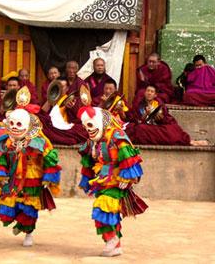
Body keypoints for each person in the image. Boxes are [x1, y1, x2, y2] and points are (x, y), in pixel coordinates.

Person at [0, 87, 61, 247]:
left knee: (29, 205)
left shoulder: (38, 141)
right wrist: (2, 176)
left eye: (19, 124)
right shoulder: (8, 141)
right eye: (12, 124)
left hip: (32, 176)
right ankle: (19, 224)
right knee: (10, 202)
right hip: (14, 177)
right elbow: (3, 159)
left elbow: (50, 159)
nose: (15, 127)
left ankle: (29, 233)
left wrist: (48, 179)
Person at [78, 105, 146, 257]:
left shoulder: (116, 134)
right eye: (85, 126)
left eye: (90, 125)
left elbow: (127, 154)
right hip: (102, 179)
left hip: (116, 179)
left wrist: (127, 177)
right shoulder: (92, 140)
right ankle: (116, 247)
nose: (88, 129)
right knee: (110, 212)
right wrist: (87, 180)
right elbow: (88, 161)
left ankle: (112, 239)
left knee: (102, 207)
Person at [126, 84, 191, 145]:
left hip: (157, 126)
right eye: (148, 91)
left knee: (174, 129)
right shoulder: (139, 105)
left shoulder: (159, 104)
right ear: (144, 93)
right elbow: (137, 120)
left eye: (152, 92)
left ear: (155, 95)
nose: (149, 93)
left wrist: (160, 118)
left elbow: (166, 119)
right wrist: (146, 114)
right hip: (146, 127)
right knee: (139, 128)